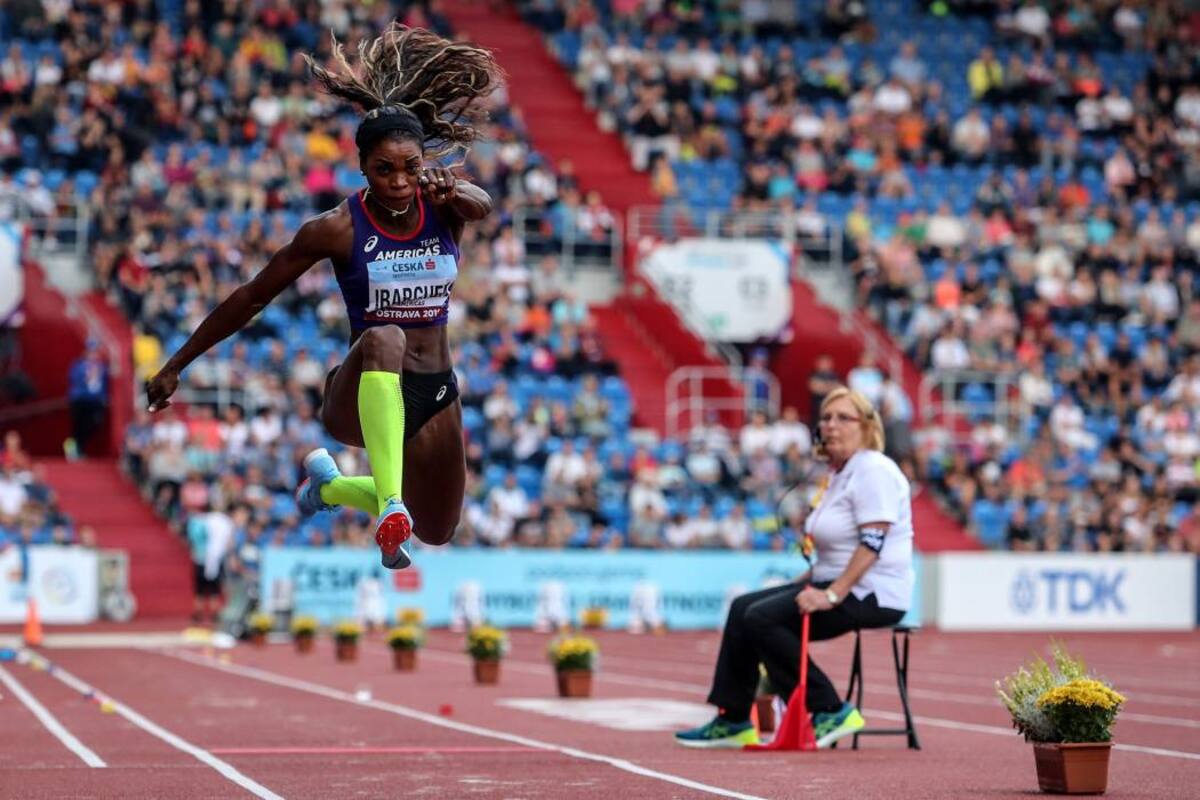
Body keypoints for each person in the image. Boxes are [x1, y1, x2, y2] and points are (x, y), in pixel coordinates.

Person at [145, 25, 503, 570]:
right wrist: (177, 365)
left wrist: (457, 188)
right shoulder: (335, 228)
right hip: (363, 389)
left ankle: (333, 490)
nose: (401, 182)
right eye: (384, 170)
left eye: (410, 167)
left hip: (434, 391)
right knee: (386, 335)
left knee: (438, 530)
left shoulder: (444, 200)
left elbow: (482, 203)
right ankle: (388, 503)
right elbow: (252, 296)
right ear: (362, 168)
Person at [675, 387, 914, 749]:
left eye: (843, 418)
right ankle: (734, 719)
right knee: (744, 607)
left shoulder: (874, 470)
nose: (831, 425)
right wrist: (803, 583)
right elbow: (837, 550)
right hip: (833, 579)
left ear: (866, 426)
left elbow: (872, 545)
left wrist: (830, 595)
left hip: (872, 592)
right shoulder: (840, 474)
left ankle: (829, 709)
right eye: (826, 418)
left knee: (762, 618)